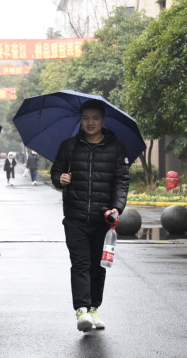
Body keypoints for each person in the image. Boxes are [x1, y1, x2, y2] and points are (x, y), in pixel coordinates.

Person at [51, 99, 130, 332]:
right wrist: (60, 179)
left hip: (103, 218)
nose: (90, 122)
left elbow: (121, 181)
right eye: (85, 118)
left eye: (95, 118)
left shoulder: (116, 148)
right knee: (80, 264)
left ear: (103, 120)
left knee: (98, 266)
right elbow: (56, 172)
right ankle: (82, 311)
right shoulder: (69, 146)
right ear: (81, 120)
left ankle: (94, 308)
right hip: (75, 218)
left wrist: (117, 207)